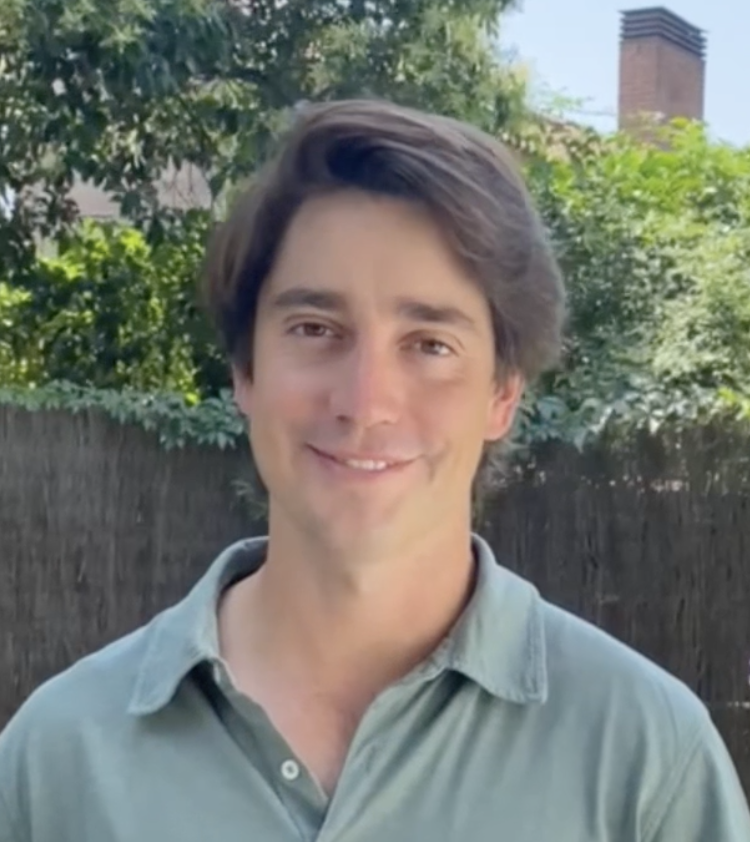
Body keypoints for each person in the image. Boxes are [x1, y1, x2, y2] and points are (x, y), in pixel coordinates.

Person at [1, 99, 748, 842]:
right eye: (316, 329)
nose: (365, 403)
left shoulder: (648, 764)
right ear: (245, 371)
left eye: (429, 344)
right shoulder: (56, 761)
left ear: (502, 394)